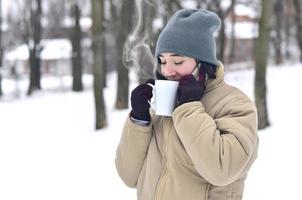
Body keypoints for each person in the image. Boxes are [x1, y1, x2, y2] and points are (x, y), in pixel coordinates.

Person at [115, 8, 258, 200]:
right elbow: (128, 176)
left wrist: (189, 109)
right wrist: (139, 120)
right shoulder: (162, 107)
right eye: (162, 60)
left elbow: (222, 170)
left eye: (178, 61)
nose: (167, 70)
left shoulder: (234, 105)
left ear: (203, 63)